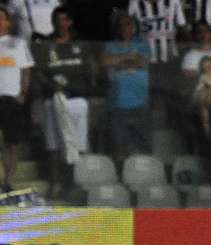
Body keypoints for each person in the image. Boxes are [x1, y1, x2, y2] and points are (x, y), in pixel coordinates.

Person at [34, 6, 93, 199]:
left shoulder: (80, 43)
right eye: (58, 20)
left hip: (77, 101)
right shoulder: (46, 43)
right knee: (54, 145)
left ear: (70, 22)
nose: (62, 23)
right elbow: (39, 73)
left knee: (79, 144)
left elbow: (90, 72)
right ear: (53, 22)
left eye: (65, 19)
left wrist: (88, 91)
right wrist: (52, 87)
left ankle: (76, 183)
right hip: (54, 101)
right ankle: (56, 183)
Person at [102, 12, 152, 164]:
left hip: (141, 99)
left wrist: (118, 61)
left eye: (128, 24)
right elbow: (105, 62)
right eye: (121, 25)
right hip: (118, 101)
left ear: (134, 27)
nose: (125, 28)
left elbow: (143, 63)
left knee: (143, 141)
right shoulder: (109, 45)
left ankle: (145, 176)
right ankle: (121, 176)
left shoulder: (142, 43)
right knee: (119, 142)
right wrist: (128, 57)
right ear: (116, 29)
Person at [0, 5, 33, 192]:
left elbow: (26, 70)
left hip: (11, 99)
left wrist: (23, 94)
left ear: (7, 21)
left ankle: (7, 181)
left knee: (11, 143)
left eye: (1, 18)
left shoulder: (17, 43)